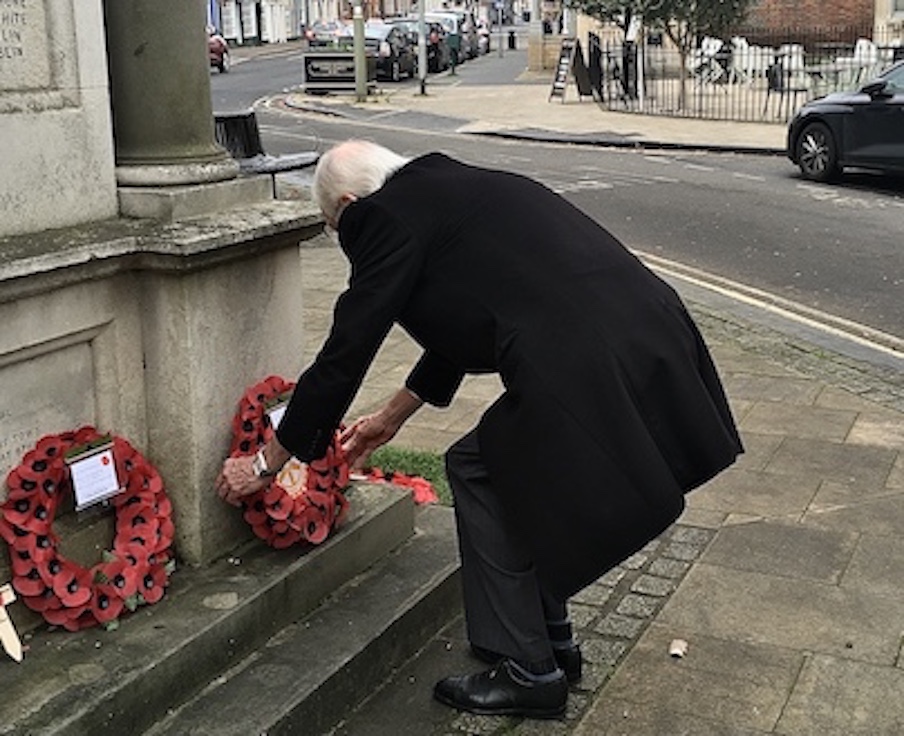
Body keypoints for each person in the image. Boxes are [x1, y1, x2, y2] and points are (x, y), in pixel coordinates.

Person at [216, 140, 743, 719]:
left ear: (348, 204)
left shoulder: (382, 215)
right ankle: (549, 641)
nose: (345, 240)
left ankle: (530, 671)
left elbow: (347, 348)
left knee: (480, 468)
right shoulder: (447, 191)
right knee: (500, 463)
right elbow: (464, 319)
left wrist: (267, 463)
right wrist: (391, 418)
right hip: (647, 330)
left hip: (589, 357)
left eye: (332, 226)